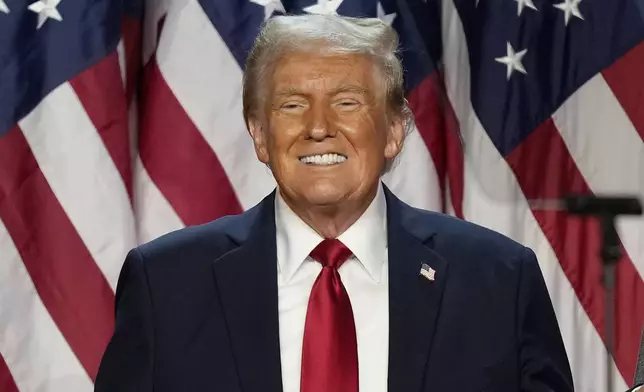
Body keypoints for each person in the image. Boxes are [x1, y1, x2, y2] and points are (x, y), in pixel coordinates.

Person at [94, 14, 574, 392]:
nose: (318, 126)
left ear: (393, 131)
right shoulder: (167, 284)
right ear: (259, 136)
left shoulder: (498, 280)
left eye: (347, 102)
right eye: (292, 104)